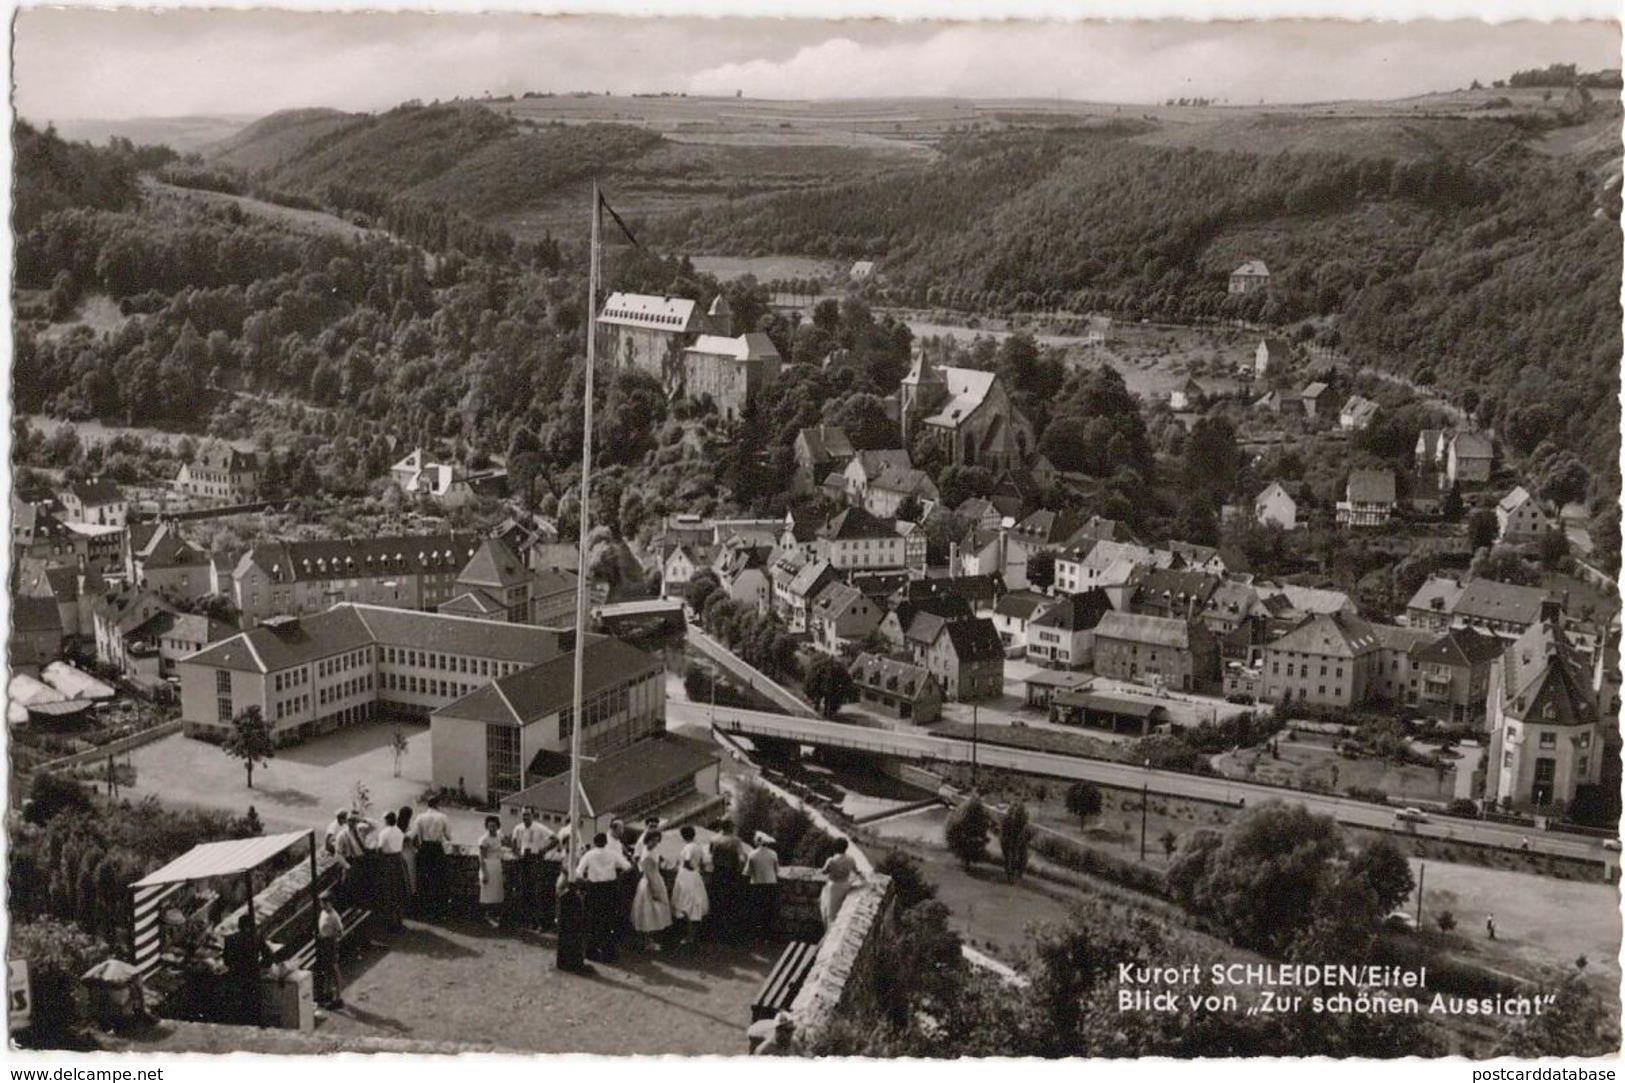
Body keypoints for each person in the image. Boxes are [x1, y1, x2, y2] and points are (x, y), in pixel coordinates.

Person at [576, 832, 631, 962]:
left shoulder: (589, 855)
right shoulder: (612, 854)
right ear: (606, 842)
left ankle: (591, 951)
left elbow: (578, 872)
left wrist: (585, 880)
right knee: (608, 920)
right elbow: (628, 867)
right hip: (609, 888)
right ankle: (608, 952)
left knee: (592, 920)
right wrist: (619, 877)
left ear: (595, 843)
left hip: (594, 889)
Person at [510, 807, 555, 932]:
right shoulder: (518, 828)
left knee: (537, 891)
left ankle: (540, 923)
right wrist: (518, 855)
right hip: (524, 860)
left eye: (528, 815)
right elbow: (513, 845)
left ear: (533, 816)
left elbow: (555, 839)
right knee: (525, 891)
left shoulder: (540, 828)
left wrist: (543, 850)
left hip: (536, 860)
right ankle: (527, 922)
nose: (525, 817)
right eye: (524, 815)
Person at [221, 914, 269, 1026]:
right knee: (254, 1004)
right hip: (253, 975)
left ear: (239, 926)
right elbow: (268, 956)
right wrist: (260, 966)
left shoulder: (230, 939)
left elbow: (226, 960)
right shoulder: (256, 938)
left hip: (236, 977)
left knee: (239, 1006)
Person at [631, 830, 672, 951]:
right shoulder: (646, 855)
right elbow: (649, 874)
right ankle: (648, 942)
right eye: (653, 840)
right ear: (647, 840)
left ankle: (650, 940)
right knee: (649, 912)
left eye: (657, 840)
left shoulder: (652, 851)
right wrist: (655, 890)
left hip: (656, 879)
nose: (655, 843)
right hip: (650, 882)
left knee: (653, 912)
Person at [411, 796, 452, 918]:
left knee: (424, 879)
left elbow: (413, 836)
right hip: (436, 848)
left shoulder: (420, 817)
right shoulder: (442, 817)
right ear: (437, 804)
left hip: (424, 848)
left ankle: (424, 910)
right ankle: (438, 910)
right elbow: (449, 836)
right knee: (438, 879)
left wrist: (419, 848)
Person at [671, 825, 711, 945]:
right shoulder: (698, 847)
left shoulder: (688, 847)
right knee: (694, 904)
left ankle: (690, 936)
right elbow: (703, 863)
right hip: (695, 875)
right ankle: (692, 934)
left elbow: (687, 862)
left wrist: (684, 868)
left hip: (687, 876)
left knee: (686, 903)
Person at [709, 818, 746, 941]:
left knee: (717, 901)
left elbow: (710, 855)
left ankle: (715, 932)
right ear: (731, 827)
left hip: (717, 873)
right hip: (730, 874)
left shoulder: (714, 839)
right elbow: (741, 859)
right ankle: (730, 934)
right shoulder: (735, 841)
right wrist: (739, 871)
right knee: (731, 902)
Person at [819, 839, 864, 928]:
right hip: (845, 884)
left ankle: (830, 930)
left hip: (834, 886)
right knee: (841, 907)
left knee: (831, 911)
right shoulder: (850, 859)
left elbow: (824, 872)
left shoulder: (831, 860)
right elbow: (856, 871)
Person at [375, 811, 408, 929]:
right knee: (398, 890)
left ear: (387, 820)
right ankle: (399, 921)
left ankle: (391, 923)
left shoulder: (384, 833)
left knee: (388, 890)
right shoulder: (400, 831)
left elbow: (379, 849)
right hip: (399, 860)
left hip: (389, 862)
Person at [746, 831, 781, 939]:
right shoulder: (773, 854)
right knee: (770, 910)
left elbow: (747, 871)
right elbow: (777, 870)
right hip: (771, 884)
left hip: (757, 885)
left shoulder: (752, 854)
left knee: (758, 910)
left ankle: (758, 935)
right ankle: (770, 935)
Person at [314, 895, 344, 1010]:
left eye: (325, 903)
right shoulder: (323, 913)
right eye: (322, 902)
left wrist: (330, 938)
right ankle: (328, 993)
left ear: (330, 903)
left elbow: (340, 933)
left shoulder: (334, 916)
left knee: (334, 969)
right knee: (327, 969)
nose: (323, 905)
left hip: (331, 943)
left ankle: (338, 998)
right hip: (324, 942)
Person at [478, 815, 507, 928]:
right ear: (487, 826)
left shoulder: (499, 837)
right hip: (488, 865)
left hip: (497, 866)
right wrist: (484, 872)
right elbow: (481, 857)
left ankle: (495, 916)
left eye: (494, 826)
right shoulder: (484, 839)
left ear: (497, 826)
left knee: (497, 893)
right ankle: (488, 916)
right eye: (490, 826)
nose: (492, 828)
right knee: (488, 893)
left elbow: (503, 849)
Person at [397, 806, 418, 907]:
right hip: (409, 853)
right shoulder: (408, 827)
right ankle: (410, 900)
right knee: (410, 877)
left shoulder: (397, 826)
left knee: (405, 877)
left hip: (401, 853)